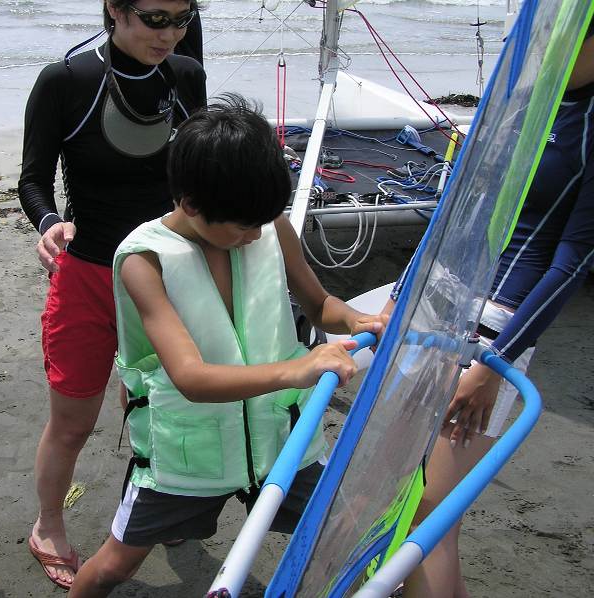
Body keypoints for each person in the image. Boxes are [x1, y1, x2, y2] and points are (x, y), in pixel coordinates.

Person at [68, 94, 388, 597]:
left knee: (346, 533)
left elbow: (319, 303)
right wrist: (298, 369)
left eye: (263, 220)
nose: (255, 235)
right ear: (191, 204)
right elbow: (191, 378)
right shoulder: (144, 260)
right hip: (187, 456)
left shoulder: (269, 227)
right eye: (243, 226)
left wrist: (358, 318)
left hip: (282, 439)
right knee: (114, 566)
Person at [17, 0, 206, 589]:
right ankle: (48, 525)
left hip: (165, 274)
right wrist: (49, 222)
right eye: (155, 19)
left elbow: (198, 178)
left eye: (182, 18)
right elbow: (32, 179)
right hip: (88, 277)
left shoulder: (186, 77)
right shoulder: (66, 81)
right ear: (115, 9)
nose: (170, 33)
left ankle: (157, 503)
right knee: (73, 421)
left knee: (156, 406)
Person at [401, 36, 594, 598]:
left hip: (496, 328)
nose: (553, 42)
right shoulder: (525, 96)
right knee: (414, 505)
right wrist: (401, 298)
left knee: (429, 515)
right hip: (440, 303)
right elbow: (456, 208)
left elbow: (572, 262)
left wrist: (496, 362)